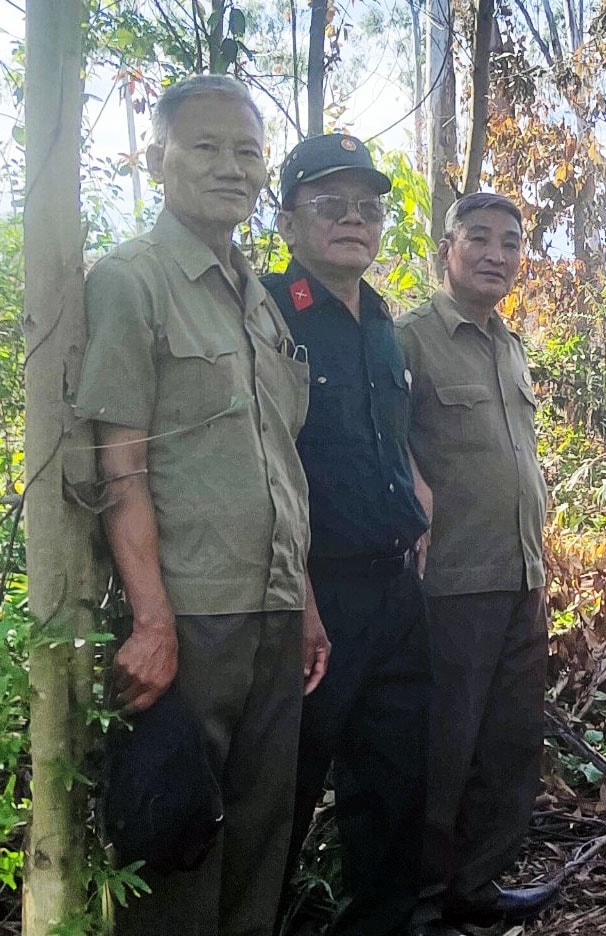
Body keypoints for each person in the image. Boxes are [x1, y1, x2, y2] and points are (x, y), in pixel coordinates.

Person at [75, 74, 326, 936]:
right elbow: (121, 465)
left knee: (261, 828)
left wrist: (307, 607)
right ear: (158, 158)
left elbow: (280, 466)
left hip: (272, 607)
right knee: (180, 832)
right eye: (207, 146)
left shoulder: (260, 298)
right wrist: (150, 619)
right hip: (192, 610)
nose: (232, 166)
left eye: (248, 150)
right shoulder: (130, 281)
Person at [263, 133, 432, 936]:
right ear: (289, 220)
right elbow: (266, 464)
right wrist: (300, 596)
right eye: (330, 205)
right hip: (318, 592)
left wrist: (417, 505)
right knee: (286, 788)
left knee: (396, 780)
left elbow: (387, 438)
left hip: (398, 590)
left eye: (368, 207)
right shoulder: (266, 311)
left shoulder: (381, 323)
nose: (354, 221)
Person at [396, 192, 557, 932]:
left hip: (523, 578)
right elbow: (388, 452)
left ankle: (478, 887)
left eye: (511, 243)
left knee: (511, 744)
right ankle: (422, 903)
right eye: (481, 239)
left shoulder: (509, 346)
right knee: (443, 750)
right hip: (453, 584)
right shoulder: (410, 341)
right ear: (447, 248)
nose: (497, 254)